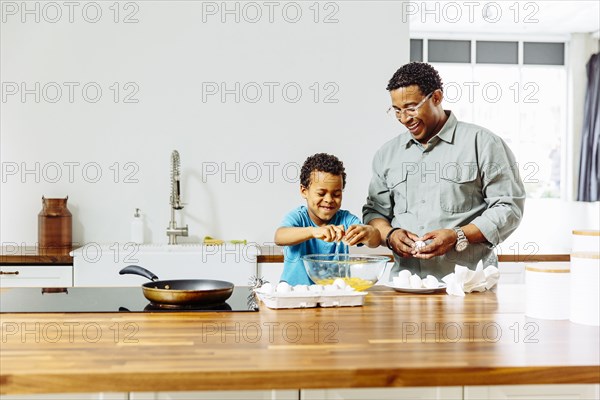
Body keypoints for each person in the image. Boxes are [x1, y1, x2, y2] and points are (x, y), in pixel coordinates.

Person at [363, 62, 525, 279]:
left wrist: (457, 235)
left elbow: (509, 207)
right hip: (407, 284)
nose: (404, 118)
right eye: (397, 111)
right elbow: (375, 213)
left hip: (470, 287)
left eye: (411, 108)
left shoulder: (483, 143)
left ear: (437, 97)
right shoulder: (387, 154)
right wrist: (390, 235)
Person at [275, 153, 381, 285]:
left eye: (336, 194)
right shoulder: (299, 217)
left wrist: (367, 232)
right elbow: (279, 237)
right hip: (295, 294)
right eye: (321, 193)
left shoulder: (346, 220)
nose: (329, 200)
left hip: (334, 295)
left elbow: (375, 240)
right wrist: (314, 231)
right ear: (304, 191)